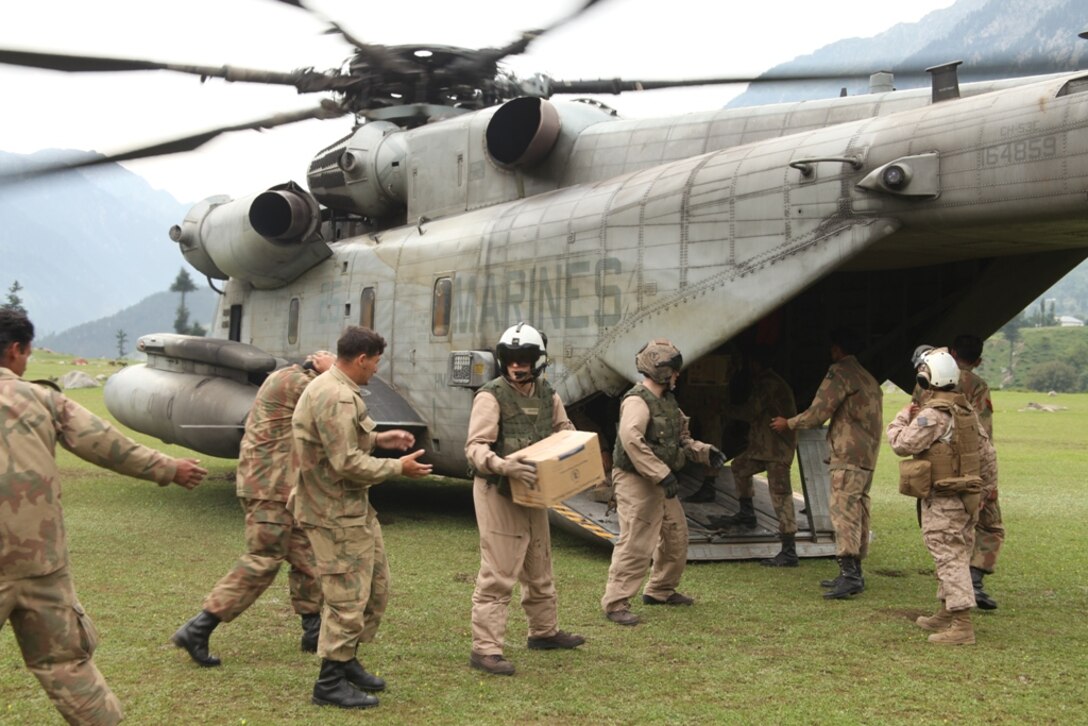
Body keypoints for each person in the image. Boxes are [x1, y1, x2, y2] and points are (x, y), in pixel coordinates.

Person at [0, 309, 207, 725]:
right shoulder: (42, 399)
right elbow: (105, 443)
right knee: (67, 665)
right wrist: (169, 468)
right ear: (17, 350)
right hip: (41, 560)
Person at [289, 326, 433, 709]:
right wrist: (397, 468)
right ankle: (329, 683)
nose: (376, 371)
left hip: (352, 509)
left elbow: (347, 441)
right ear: (361, 359)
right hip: (334, 512)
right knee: (347, 600)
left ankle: (347, 660)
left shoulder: (340, 390)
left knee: (374, 589)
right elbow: (345, 462)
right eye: (375, 363)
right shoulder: (335, 396)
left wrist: (382, 439)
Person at [172, 350, 335, 667]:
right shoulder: (295, 382)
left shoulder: (297, 379)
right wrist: (333, 372)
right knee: (263, 558)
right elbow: (333, 397)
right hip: (269, 487)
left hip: (282, 487)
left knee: (308, 555)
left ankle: (313, 630)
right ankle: (199, 628)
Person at [465, 322, 586, 676]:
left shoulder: (549, 394)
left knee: (539, 562)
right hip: (498, 491)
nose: (517, 365)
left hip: (534, 489)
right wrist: (504, 466)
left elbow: (566, 432)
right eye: (511, 358)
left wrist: (574, 455)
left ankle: (544, 631)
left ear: (539, 360)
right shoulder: (491, 396)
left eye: (525, 358)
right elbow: (475, 448)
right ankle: (485, 649)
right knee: (500, 571)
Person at [601, 339, 723, 626]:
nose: (678, 376)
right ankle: (616, 602)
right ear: (661, 372)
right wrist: (661, 473)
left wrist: (704, 452)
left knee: (675, 534)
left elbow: (681, 439)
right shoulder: (637, 401)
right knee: (636, 542)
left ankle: (660, 590)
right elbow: (632, 440)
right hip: (636, 479)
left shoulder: (668, 402)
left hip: (660, 478)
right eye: (674, 371)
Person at [886, 349, 996, 645]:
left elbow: (901, 443)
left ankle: (962, 625)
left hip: (943, 500)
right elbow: (988, 456)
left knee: (948, 557)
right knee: (956, 554)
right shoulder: (965, 412)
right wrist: (985, 491)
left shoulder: (932, 416)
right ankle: (946, 613)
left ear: (928, 377)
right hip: (966, 499)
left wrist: (900, 419)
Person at [771, 327, 882, 599]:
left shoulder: (841, 373)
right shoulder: (868, 377)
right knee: (859, 510)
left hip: (847, 456)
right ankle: (855, 571)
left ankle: (849, 575)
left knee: (843, 511)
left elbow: (818, 413)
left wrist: (789, 423)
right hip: (867, 455)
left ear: (837, 350)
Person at [709, 347, 799, 567]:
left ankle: (789, 550)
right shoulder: (767, 381)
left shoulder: (769, 384)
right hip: (763, 447)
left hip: (776, 450)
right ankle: (747, 513)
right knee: (740, 467)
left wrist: (724, 408)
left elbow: (750, 412)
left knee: (780, 496)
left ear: (756, 364)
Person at [949, 334, 1003, 611]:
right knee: (989, 524)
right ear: (978, 360)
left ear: (951, 351)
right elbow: (983, 432)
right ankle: (974, 582)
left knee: (949, 526)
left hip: (941, 467)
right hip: (974, 466)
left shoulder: (929, 382)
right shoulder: (977, 385)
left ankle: (953, 584)